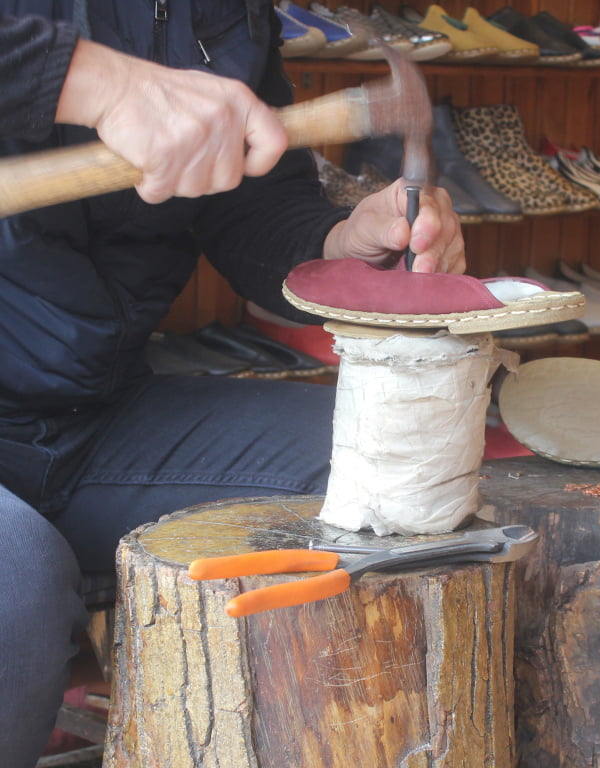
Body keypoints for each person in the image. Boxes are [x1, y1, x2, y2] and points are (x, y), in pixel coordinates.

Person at [0, 4, 464, 766]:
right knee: (13, 586)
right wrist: (101, 83)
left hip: (95, 418)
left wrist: (343, 246)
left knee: (399, 472)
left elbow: (251, 205)